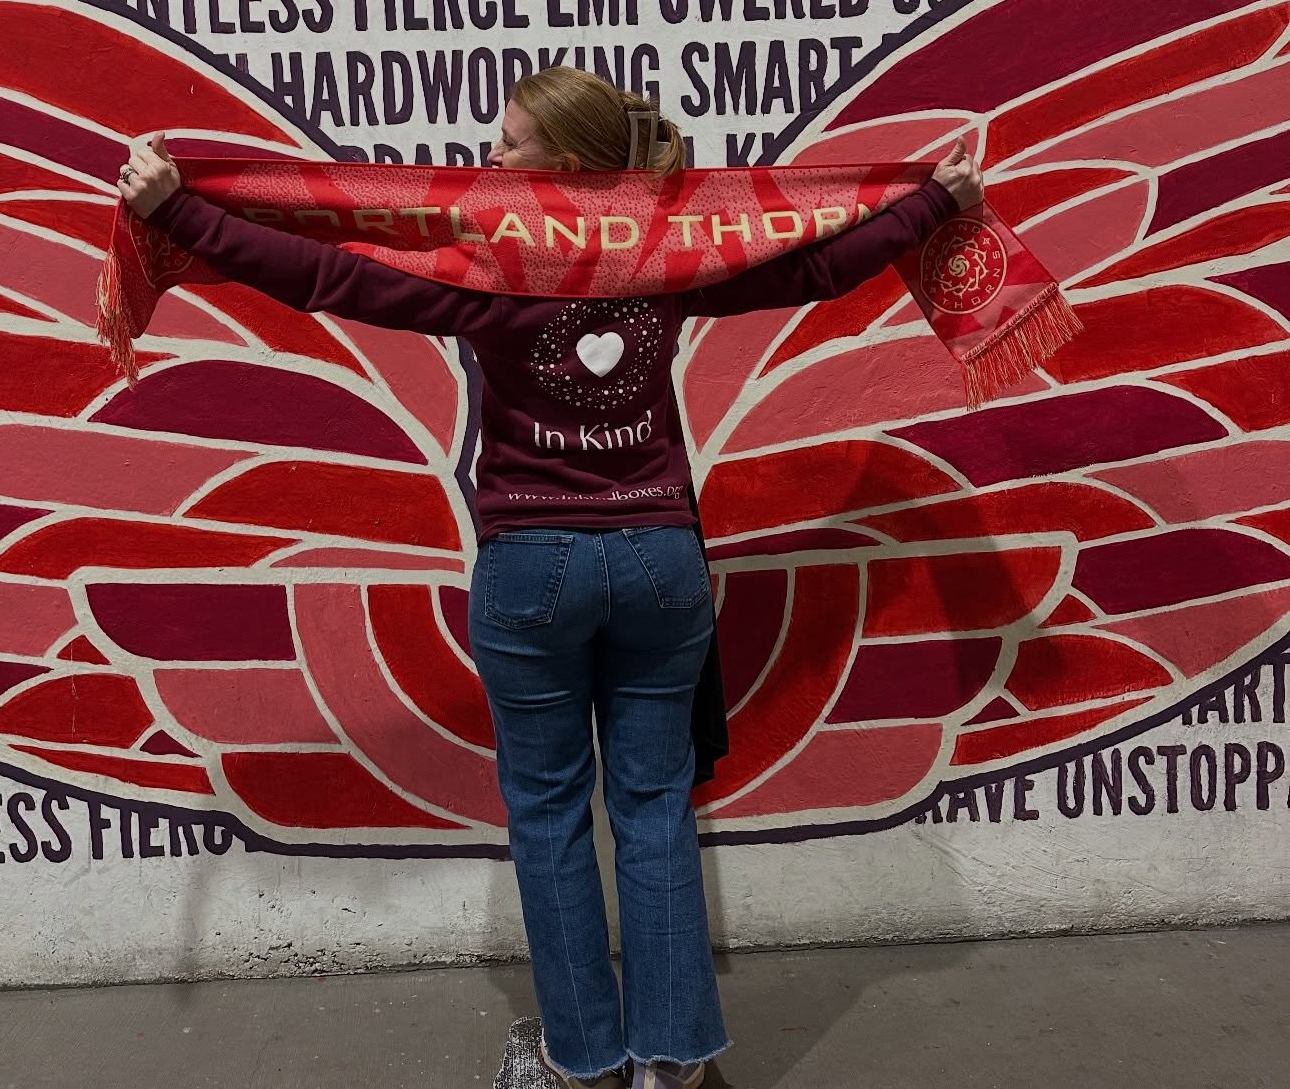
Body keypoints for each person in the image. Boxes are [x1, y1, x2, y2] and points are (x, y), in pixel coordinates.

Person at [117, 66, 983, 1089]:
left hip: (531, 566)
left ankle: (583, 1063)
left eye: (510, 140)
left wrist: (175, 211)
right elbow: (811, 268)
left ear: (564, 161)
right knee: (656, 806)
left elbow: (325, 275)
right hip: (661, 559)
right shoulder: (671, 255)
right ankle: (678, 1063)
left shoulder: (483, 264)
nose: (491, 156)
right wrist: (934, 203)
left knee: (550, 812)